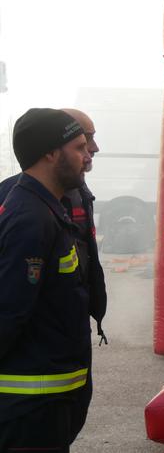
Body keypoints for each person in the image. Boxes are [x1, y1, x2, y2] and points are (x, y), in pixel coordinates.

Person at [0, 108, 94, 451]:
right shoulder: (31, 219)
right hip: (32, 404)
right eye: (79, 147)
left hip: (50, 397)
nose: (88, 156)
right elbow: (9, 311)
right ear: (50, 154)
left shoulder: (48, 209)